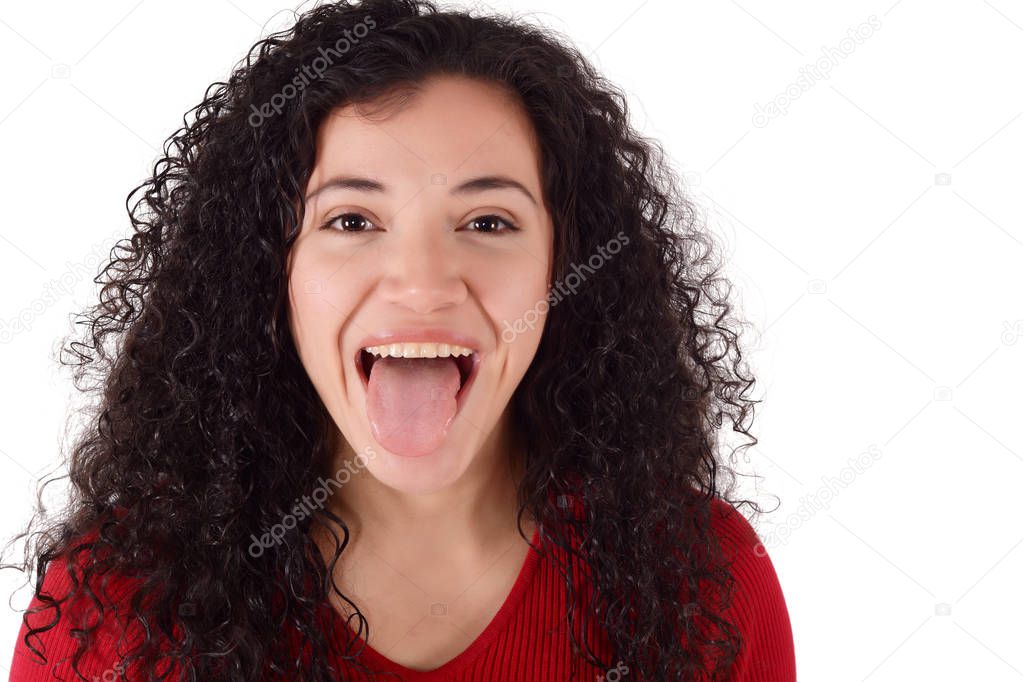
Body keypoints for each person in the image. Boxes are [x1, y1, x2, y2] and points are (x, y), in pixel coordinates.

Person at [5, 0, 796, 679]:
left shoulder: (702, 579)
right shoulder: (115, 607)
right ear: (267, 273)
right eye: (352, 221)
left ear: (567, 269)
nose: (421, 283)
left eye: (488, 222)